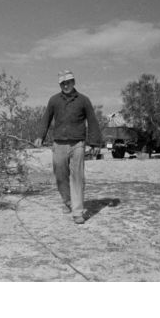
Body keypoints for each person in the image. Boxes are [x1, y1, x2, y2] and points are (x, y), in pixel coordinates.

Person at [34, 70, 102, 224]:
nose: (66, 85)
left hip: (78, 144)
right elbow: (46, 119)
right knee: (60, 174)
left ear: (74, 82)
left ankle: (77, 212)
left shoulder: (83, 100)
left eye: (68, 82)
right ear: (60, 84)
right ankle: (67, 201)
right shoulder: (54, 100)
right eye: (63, 83)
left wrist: (95, 142)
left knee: (78, 177)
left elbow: (92, 121)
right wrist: (40, 136)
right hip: (59, 144)